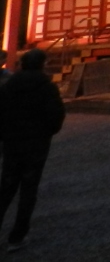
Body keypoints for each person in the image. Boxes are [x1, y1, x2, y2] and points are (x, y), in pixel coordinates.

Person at [0, 49, 65, 250]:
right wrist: (47, 131)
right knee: (29, 189)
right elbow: (56, 115)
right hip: (36, 144)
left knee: (6, 187)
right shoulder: (46, 86)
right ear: (42, 64)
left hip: (12, 142)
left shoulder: (10, 84)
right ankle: (17, 236)